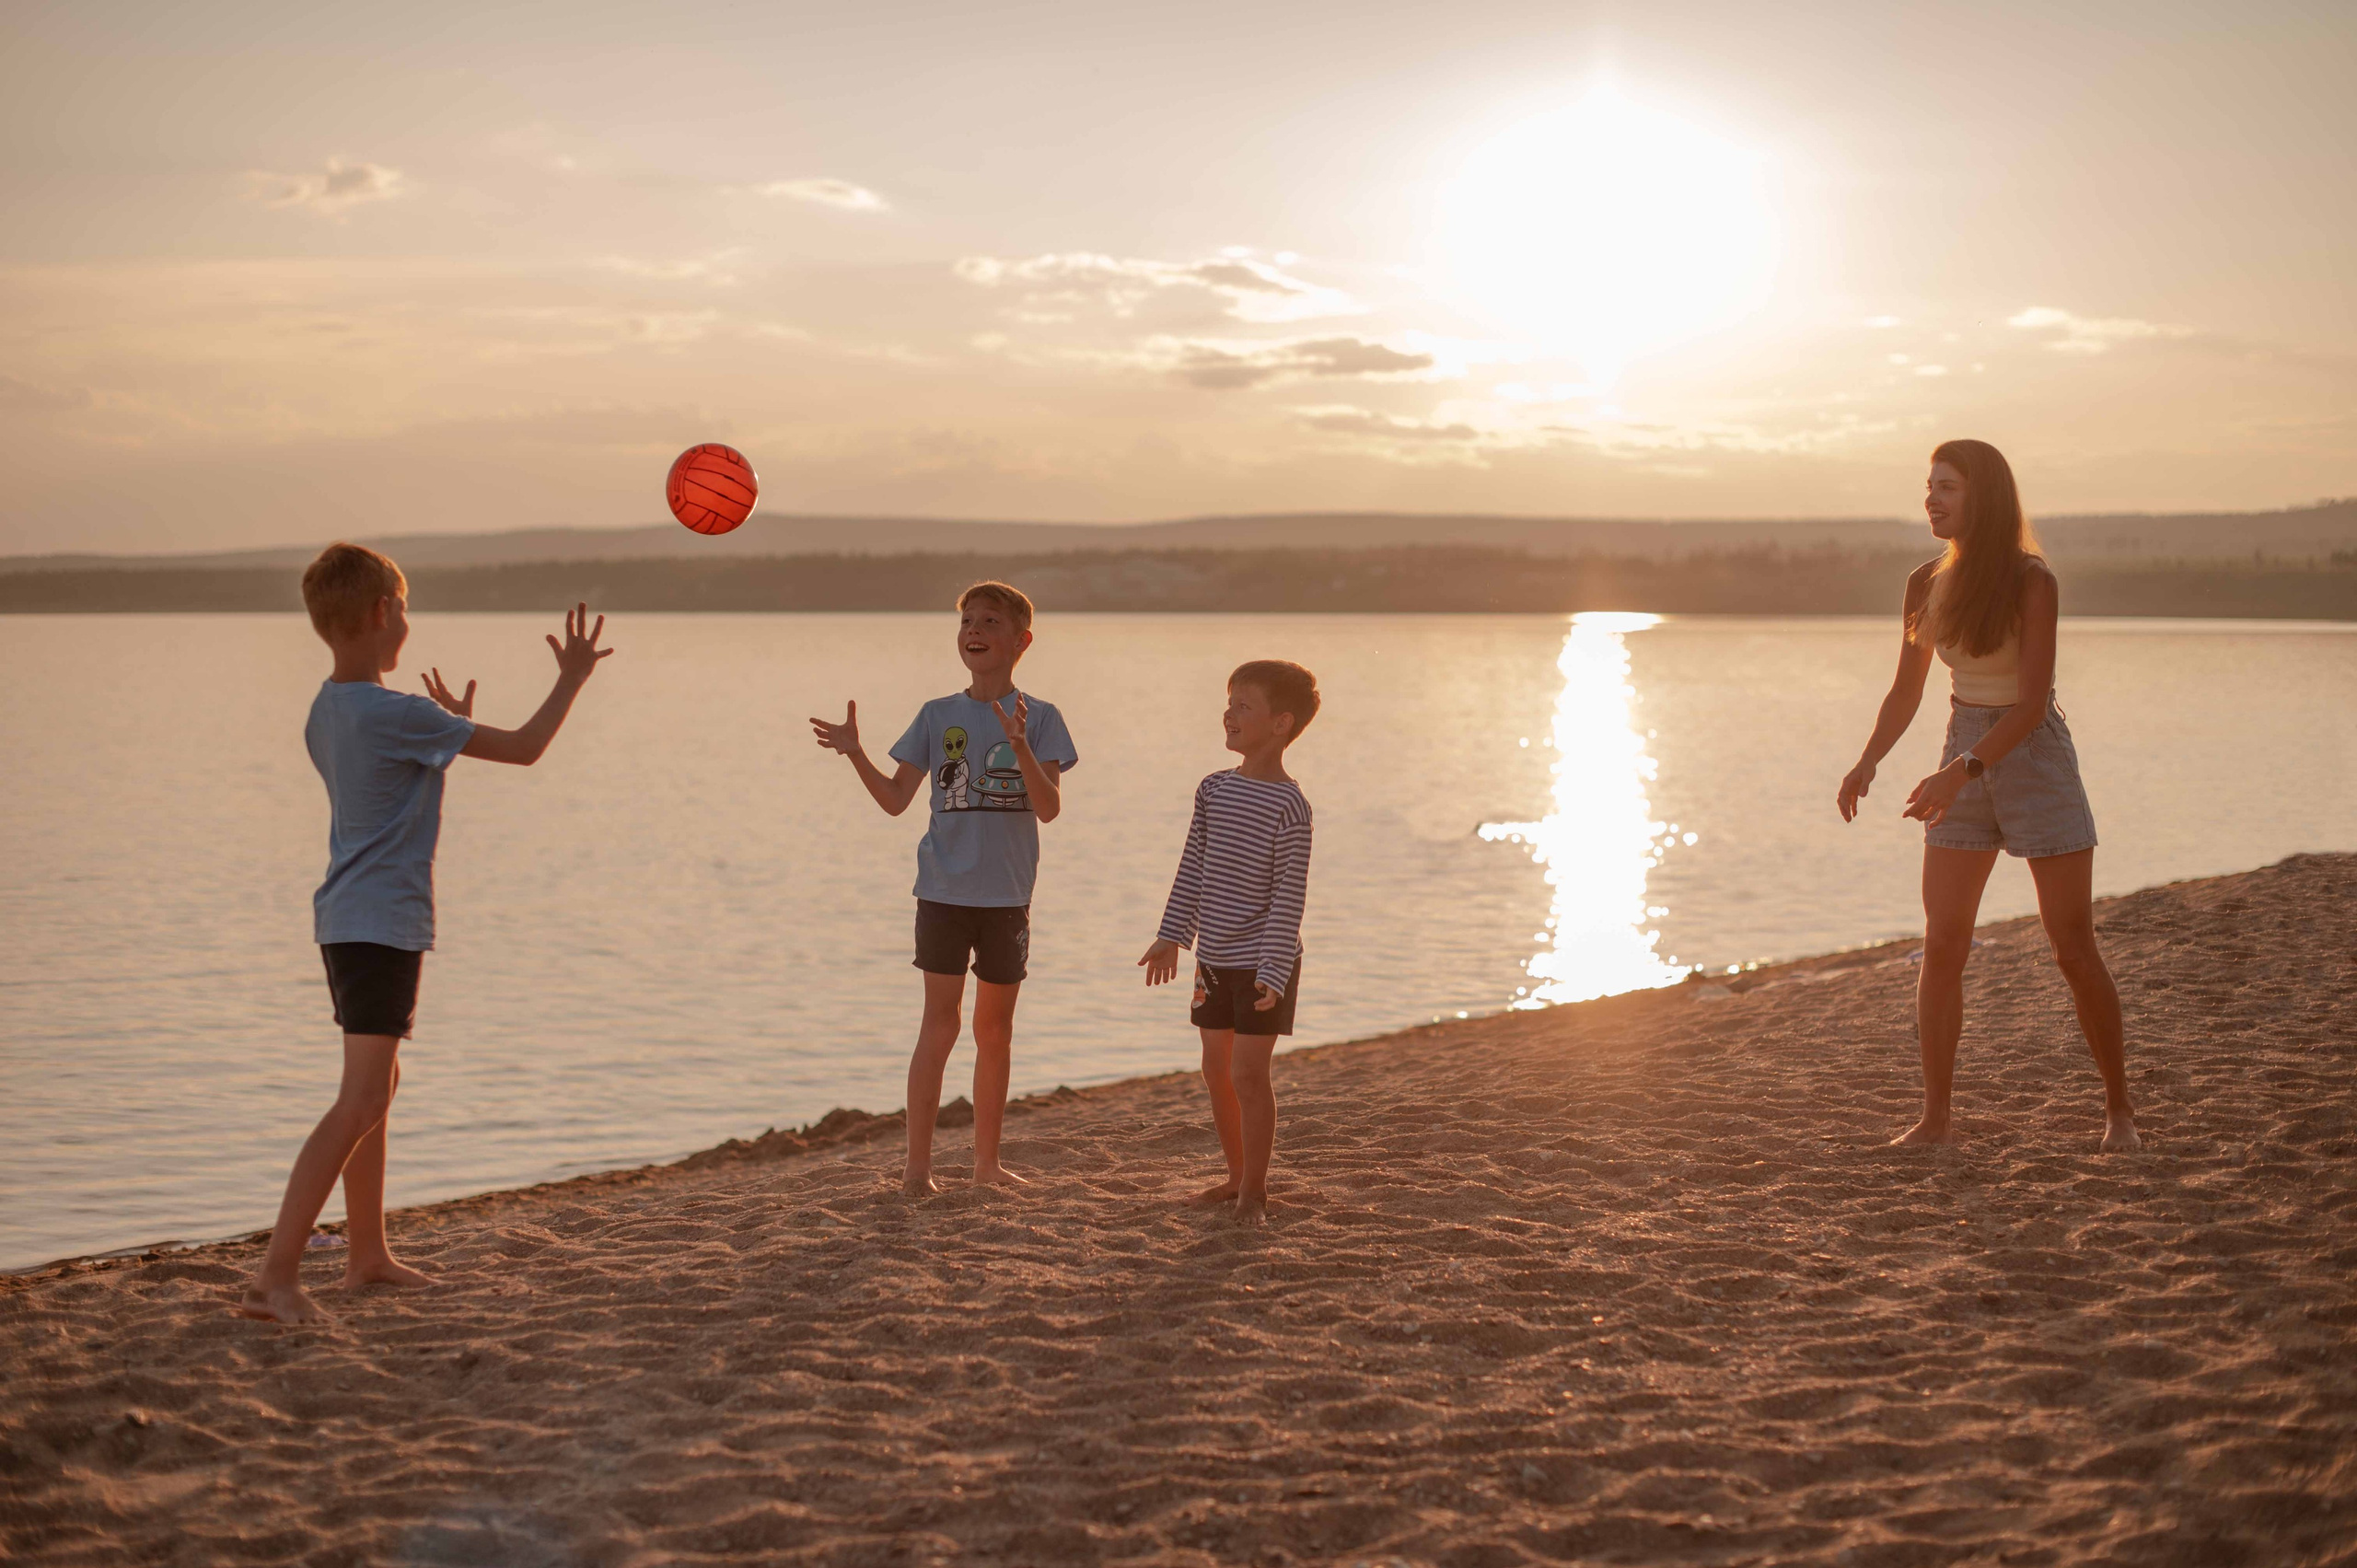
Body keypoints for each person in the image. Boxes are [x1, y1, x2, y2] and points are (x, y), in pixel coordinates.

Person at [240, 544, 613, 1324]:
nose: (406, 620)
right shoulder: (400, 714)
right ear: (382, 613)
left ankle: (367, 1255)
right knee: (359, 1099)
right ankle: (276, 1275)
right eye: (403, 607)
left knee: (376, 1090)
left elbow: (389, 775)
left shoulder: (328, 709)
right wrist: (572, 677)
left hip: (347, 919)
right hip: (381, 922)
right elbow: (525, 748)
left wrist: (445, 727)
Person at [1838, 440, 2140, 1152]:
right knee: (1943, 942)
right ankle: (1935, 1121)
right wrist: (1867, 759)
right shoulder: (1923, 582)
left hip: (2034, 757)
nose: (1931, 498)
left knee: (2072, 946)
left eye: (1947, 486)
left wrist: (1959, 771)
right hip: (1964, 741)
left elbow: (2030, 706)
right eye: (1930, 486)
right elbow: (1906, 690)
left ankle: (2120, 1111)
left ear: (1985, 496)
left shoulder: (2033, 581)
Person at [808, 581, 1077, 1196]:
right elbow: (895, 800)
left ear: (1021, 641)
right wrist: (855, 753)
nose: (973, 630)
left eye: (989, 621)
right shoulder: (936, 714)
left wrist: (1018, 746)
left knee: (995, 1033)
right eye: (966, 621)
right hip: (942, 893)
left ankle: (987, 1166)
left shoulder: (1042, 717)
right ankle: (917, 1170)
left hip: (1007, 896)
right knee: (940, 1025)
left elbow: (1049, 808)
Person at [1138, 660, 1318, 1225]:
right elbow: (1193, 866)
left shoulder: (1291, 807)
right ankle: (1236, 1176)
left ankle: (1254, 1194)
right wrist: (1172, 935)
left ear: (1281, 723)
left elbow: (1289, 896)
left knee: (1248, 1075)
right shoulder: (1214, 789)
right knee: (1215, 1070)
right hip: (1214, 957)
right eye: (1229, 702)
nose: (1229, 713)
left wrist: (1272, 972)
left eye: (1244, 705)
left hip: (1265, 964)